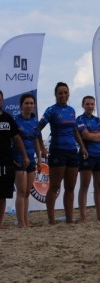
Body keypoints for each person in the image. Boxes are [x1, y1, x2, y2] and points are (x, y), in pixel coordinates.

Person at [38, 82, 87, 225]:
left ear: (69, 94)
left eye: (65, 92)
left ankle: (69, 218)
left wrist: (82, 146)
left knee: (70, 188)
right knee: (54, 187)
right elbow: (37, 129)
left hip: (72, 151)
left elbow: (75, 130)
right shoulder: (51, 110)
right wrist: (42, 147)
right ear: (56, 95)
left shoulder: (72, 110)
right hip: (57, 151)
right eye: (60, 93)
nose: (63, 95)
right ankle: (51, 219)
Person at [13, 93, 45, 228]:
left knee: (27, 192)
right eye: (26, 103)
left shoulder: (34, 122)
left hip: (31, 160)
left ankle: (26, 220)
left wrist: (39, 159)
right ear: (21, 106)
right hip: (19, 160)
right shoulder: (15, 121)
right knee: (21, 192)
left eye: (31, 103)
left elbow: (36, 141)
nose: (29, 106)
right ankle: (21, 222)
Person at [76, 95, 100, 222]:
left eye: (92, 104)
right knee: (84, 186)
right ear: (83, 105)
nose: (90, 106)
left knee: (99, 186)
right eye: (87, 104)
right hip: (87, 155)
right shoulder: (80, 119)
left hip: (99, 155)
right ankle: (83, 216)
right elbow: (86, 136)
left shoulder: (97, 120)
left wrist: (95, 135)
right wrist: (99, 134)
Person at [0, 91, 30, 229]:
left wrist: (24, 156)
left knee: (2, 195)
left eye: (0, 99)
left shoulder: (8, 118)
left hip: (6, 162)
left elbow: (17, 138)